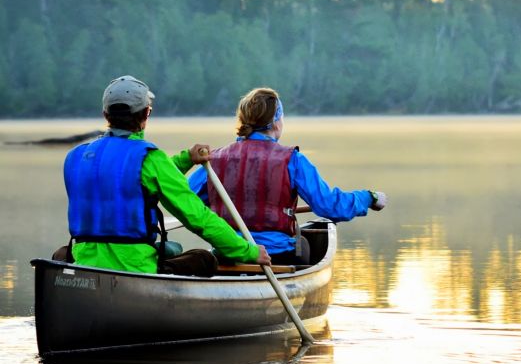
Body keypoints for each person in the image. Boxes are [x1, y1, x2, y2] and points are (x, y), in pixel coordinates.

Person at [54, 75, 271, 276]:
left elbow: (129, 180)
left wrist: (186, 159)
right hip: (135, 268)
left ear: (105, 115)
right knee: (204, 259)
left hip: (84, 262)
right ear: (146, 114)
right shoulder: (150, 159)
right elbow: (198, 218)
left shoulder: (75, 157)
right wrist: (248, 252)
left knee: (62, 255)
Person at [188, 87, 387, 265]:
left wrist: (218, 205)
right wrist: (369, 198)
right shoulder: (292, 160)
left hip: (226, 255)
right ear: (276, 121)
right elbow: (329, 206)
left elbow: (186, 201)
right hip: (276, 256)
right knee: (304, 246)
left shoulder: (214, 159)